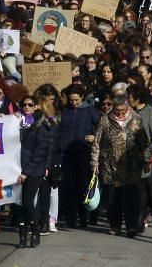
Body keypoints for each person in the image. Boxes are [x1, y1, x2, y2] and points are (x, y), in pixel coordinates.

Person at [91, 94, 151, 237]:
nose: (120, 113)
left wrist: (147, 160)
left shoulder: (135, 118)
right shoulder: (106, 119)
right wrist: (94, 162)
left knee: (131, 197)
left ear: (128, 107)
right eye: (117, 110)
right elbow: (97, 143)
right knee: (113, 198)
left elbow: (144, 142)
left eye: (123, 110)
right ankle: (115, 225)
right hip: (110, 165)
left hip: (132, 165)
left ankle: (131, 226)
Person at [15, 91, 57, 248]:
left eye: (30, 105)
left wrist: (26, 171)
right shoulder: (15, 122)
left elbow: (41, 150)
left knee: (27, 201)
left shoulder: (41, 124)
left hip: (34, 170)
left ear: (36, 107)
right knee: (17, 204)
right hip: (16, 168)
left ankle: (34, 231)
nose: (26, 107)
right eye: (24, 105)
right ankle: (22, 235)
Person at [57, 84, 100, 230]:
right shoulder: (65, 110)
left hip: (83, 153)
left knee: (82, 186)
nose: (74, 103)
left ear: (82, 97)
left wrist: (94, 137)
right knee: (68, 187)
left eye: (76, 100)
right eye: (71, 100)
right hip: (66, 154)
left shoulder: (90, 110)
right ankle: (71, 218)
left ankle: (83, 218)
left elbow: (101, 127)